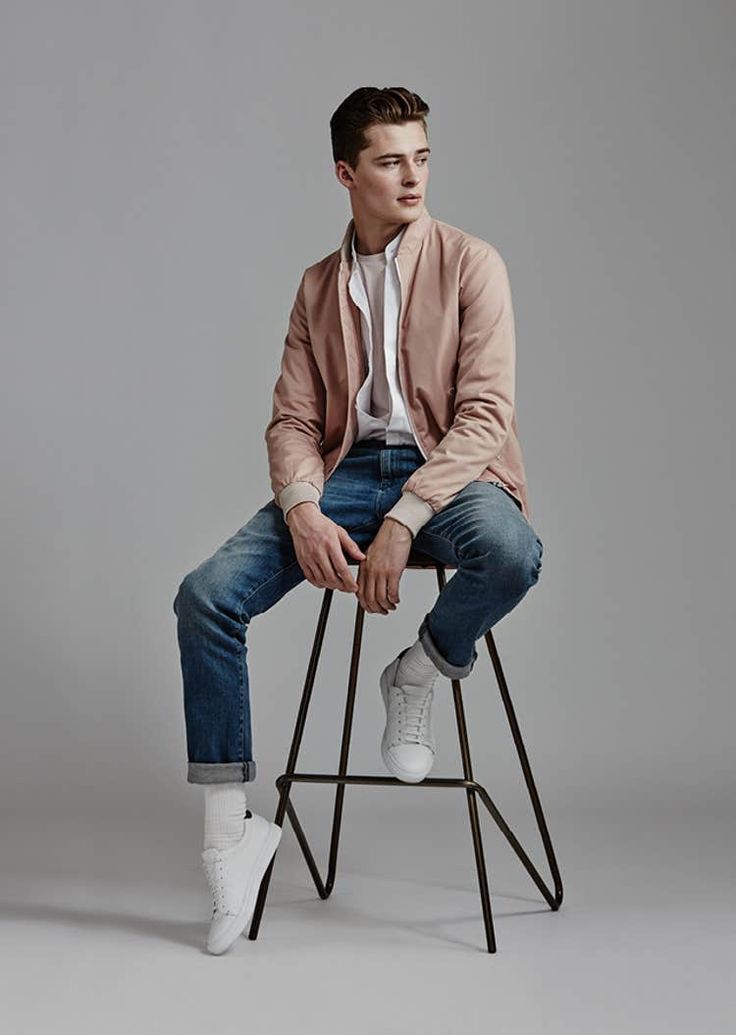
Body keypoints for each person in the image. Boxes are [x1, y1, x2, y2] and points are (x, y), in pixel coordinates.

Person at [172, 85, 544, 954]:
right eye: (389, 161)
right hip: (342, 475)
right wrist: (302, 509)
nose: (412, 176)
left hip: (452, 474)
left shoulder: (470, 263)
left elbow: (486, 415)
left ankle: (420, 669)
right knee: (205, 597)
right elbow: (295, 420)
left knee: (514, 554)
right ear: (346, 173)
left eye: (421, 157)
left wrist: (407, 519)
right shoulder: (315, 286)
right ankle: (231, 836)